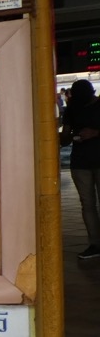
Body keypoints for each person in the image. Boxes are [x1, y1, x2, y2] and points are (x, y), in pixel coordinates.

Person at [61, 78, 100, 260]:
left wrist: (94, 133)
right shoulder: (72, 108)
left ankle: (95, 244)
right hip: (80, 162)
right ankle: (95, 244)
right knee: (87, 204)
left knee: (88, 205)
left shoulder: (77, 107)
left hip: (83, 161)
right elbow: (65, 137)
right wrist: (68, 137)